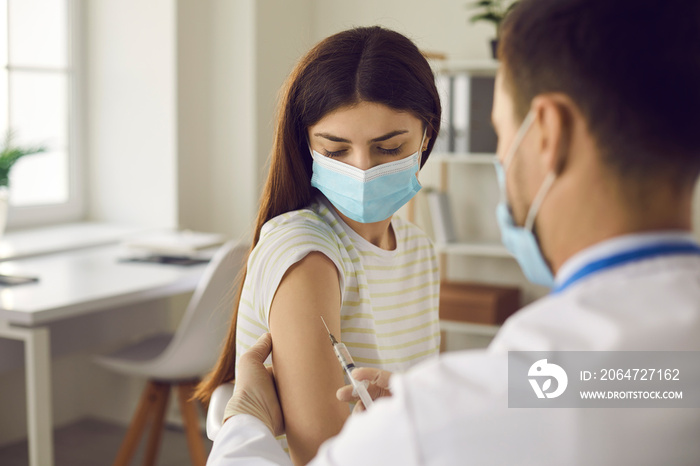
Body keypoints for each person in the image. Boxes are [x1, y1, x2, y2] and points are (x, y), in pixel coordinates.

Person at [206, 0, 700, 464]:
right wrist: (428, 405)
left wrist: (244, 420)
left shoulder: (461, 410)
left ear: (548, 133)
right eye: (337, 151)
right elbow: (643, 384)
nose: (502, 158)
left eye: (501, 131)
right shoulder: (643, 372)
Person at [194, 26, 442, 464]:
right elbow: (321, 456)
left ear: (426, 136)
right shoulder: (305, 253)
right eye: (336, 150)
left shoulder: (418, 249)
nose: (363, 169)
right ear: (307, 145)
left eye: (389, 148)